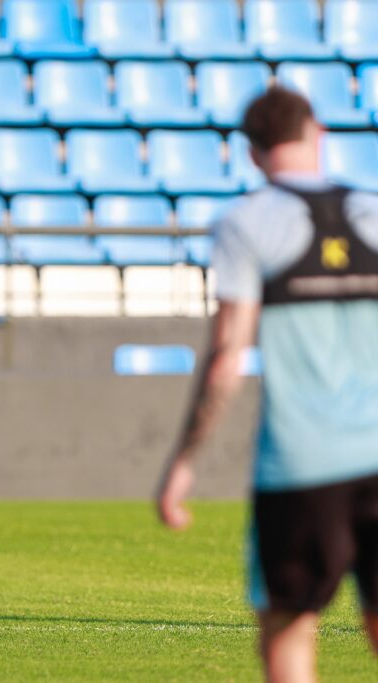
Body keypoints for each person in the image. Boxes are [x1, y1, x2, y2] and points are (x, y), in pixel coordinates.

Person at [157, 86, 378, 682]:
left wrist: (184, 460)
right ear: (320, 133)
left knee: (287, 629)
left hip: (302, 463)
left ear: (252, 155)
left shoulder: (244, 224)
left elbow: (228, 354)